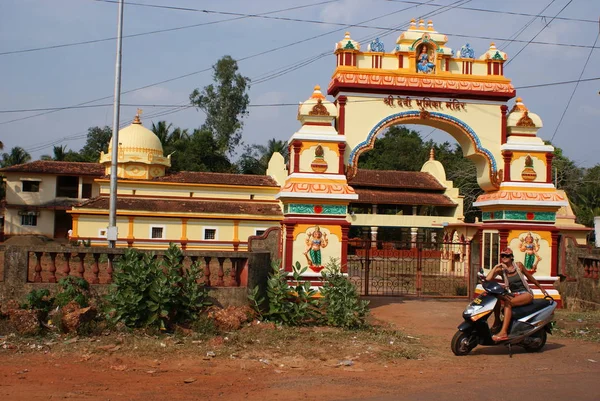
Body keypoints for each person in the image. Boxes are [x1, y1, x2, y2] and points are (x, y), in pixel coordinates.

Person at [486, 247, 549, 342]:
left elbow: (530, 277)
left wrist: (541, 288)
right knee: (495, 298)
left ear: (511, 257)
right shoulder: (501, 270)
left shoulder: (519, 266)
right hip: (513, 294)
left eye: (507, 255)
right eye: (502, 255)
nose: (504, 257)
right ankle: (497, 322)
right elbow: (488, 279)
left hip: (525, 294)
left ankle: (503, 333)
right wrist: (495, 267)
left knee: (508, 304)